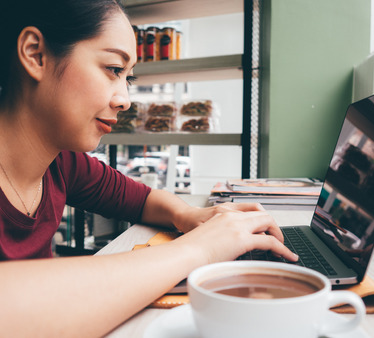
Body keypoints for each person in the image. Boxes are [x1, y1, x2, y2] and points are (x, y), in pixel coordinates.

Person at [0, 0, 298, 336]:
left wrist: (189, 216)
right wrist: (200, 248)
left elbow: (141, 200)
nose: (125, 99)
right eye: (113, 69)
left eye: (129, 77)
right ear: (36, 54)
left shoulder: (63, 164)